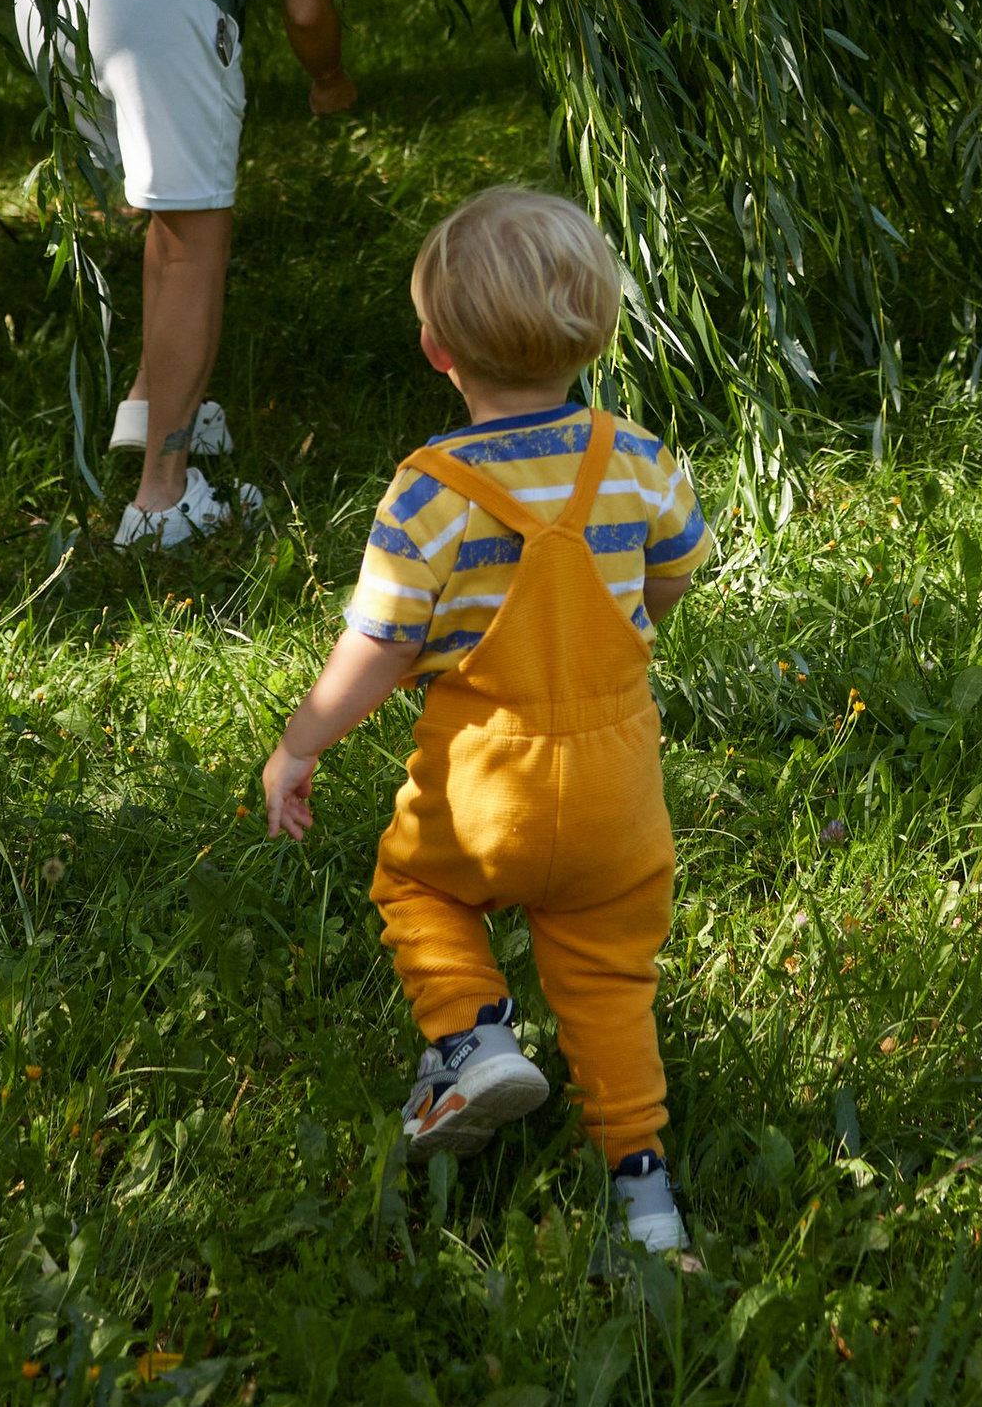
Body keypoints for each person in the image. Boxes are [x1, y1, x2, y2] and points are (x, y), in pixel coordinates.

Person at [260, 183, 710, 1265]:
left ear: (434, 349)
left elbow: (381, 644)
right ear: (593, 334)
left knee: (415, 887)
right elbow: (673, 574)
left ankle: (471, 1035)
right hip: (616, 790)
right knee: (608, 982)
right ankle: (645, 1199)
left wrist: (300, 743)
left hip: (484, 787)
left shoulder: (431, 492)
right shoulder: (638, 459)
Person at [0, 0, 356, 551]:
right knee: (193, 241)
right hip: (157, 11)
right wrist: (330, 81)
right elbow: (304, 11)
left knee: (168, 219)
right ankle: (161, 501)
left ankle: (156, 405)